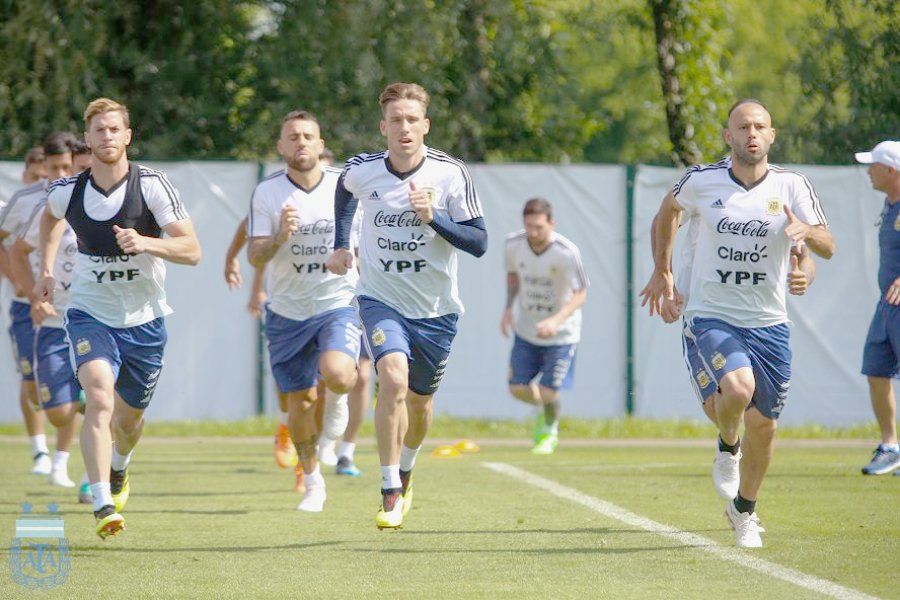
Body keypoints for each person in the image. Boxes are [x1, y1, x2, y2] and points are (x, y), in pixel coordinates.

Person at [641, 99, 834, 548]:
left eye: (760, 126)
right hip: (711, 313)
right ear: (728, 136)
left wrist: (806, 247)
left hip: (770, 322)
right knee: (738, 388)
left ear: (771, 135)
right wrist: (663, 271)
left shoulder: (792, 186)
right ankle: (729, 445)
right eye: (743, 126)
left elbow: (825, 245)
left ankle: (744, 510)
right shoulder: (702, 181)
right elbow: (667, 212)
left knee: (764, 427)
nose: (752, 133)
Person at [34, 98, 201, 540]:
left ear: (127, 136)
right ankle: (102, 500)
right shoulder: (67, 191)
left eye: (114, 129)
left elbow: (192, 250)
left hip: (145, 318)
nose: (107, 137)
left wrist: (148, 243)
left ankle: (120, 466)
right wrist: (47, 270)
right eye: (99, 131)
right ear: (86, 141)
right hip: (91, 313)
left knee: (127, 424)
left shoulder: (153, 186)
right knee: (99, 398)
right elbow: (49, 221)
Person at [327, 82, 487, 529]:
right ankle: (388, 488)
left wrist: (435, 218)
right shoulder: (363, 170)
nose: (404, 127)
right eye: (395, 120)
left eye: (412, 119)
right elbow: (343, 191)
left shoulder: (450, 174)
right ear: (383, 127)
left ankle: (407, 468)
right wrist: (342, 245)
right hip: (380, 299)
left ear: (425, 126)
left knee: (419, 407)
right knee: (390, 375)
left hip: (436, 310)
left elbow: (479, 243)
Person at [247, 111, 360, 513]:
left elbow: (364, 244)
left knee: (339, 375)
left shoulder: (344, 186)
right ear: (281, 147)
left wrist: (348, 256)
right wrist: (280, 237)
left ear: (320, 142)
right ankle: (313, 482)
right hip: (287, 312)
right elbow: (254, 253)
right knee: (300, 401)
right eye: (292, 137)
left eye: (308, 136)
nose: (300, 143)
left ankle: (340, 402)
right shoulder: (268, 193)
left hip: (335, 302)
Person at [0, 132, 77, 475]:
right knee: (34, 392)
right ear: (42, 165)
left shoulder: (86, 198)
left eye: (67, 166)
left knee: (80, 386)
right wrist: (23, 287)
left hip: (74, 310)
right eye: (55, 166)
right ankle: (40, 450)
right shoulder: (25, 199)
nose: (61, 173)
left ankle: (60, 461)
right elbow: (6, 245)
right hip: (26, 306)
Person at [501, 198, 588, 454]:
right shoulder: (513, 244)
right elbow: (513, 276)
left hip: (562, 334)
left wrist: (555, 320)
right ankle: (545, 408)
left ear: (552, 223)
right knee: (517, 388)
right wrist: (507, 308)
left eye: (539, 226)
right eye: (529, 226)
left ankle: (549, 429)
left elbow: (581, 293)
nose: (533, 232)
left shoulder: (566, 251)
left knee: (549, 392)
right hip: (527, 329)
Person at [854, 140, 900, 475]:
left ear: (891, 170)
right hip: (886, 305)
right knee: (876, 371)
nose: (868, 170)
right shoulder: (889, 205)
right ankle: (891, 446)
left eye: (873, 164)